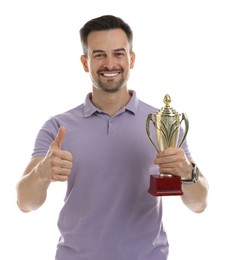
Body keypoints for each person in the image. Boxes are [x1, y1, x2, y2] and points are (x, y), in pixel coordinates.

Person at [16, 14, 209, 260]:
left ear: (132, 59)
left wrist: (186, 171)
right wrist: (42, 173)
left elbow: (199, 205)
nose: (110, 64)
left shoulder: (162, 123)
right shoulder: (57, 127)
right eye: (99, 55)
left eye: (118, 53)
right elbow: (24, 203)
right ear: (85, 63)